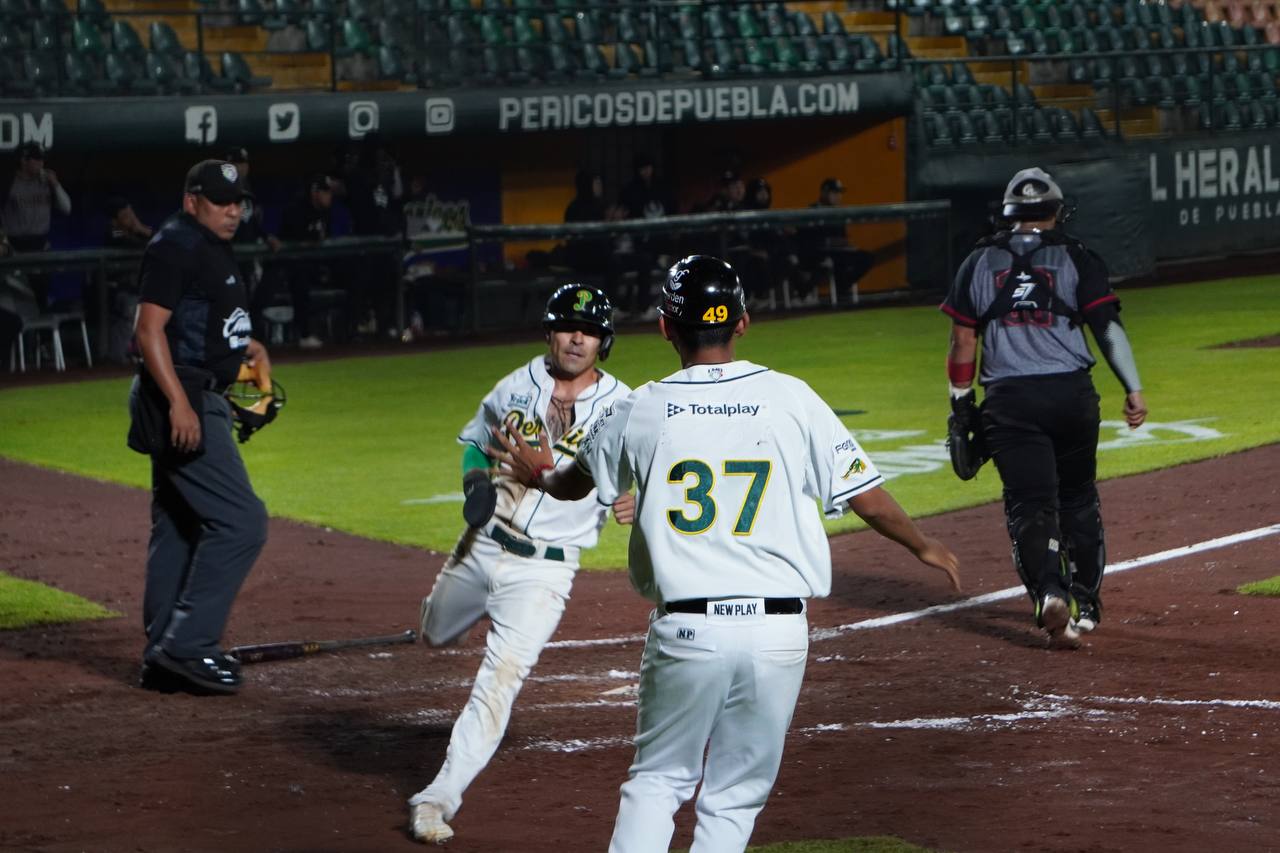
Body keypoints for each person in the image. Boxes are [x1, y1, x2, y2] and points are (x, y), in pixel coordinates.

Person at [494, 255, 961, 853]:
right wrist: (923, 545)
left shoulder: (636, 407)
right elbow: (866, 498)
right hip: (778, 634)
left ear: (666, 327)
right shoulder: (792, 397)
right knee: (735, 796)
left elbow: (570, 483)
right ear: (742, 322)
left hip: (687, 631)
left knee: (659, 780)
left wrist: (540, 472)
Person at [408, 283, 635, 844]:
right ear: (549, 332)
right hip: (484, 543)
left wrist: (640, 497)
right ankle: (457, 613)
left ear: (603, 342)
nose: (577, 338)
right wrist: (474, 484)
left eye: (589, 331)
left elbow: (652, 467)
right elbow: (475, 442)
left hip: (544, 573)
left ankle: (437, 798)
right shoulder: (515, 385)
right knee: (434, 631)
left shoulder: (625, 407)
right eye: (567, 327)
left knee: (501, 680)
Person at [941, 166, 1148, 649]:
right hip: (1071, 396)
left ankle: (1051, 592)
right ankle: (1086, 601)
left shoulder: (978, 261)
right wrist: (1133, 388)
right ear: (1056, 211)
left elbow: (963, 339)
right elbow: (1107, 328)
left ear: (1008, 213)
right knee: (1077, 497)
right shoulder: (1077, 256)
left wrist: (961, 402)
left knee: (1030, 503)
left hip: (1010, 401)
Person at [128, 159, 271, 694]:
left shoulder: (206, 245)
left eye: (238, 202)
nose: (233, 211)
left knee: (180, 523)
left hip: (192, 391)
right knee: (242, 522)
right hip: (182, 397)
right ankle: (187, 647)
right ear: (192, 202)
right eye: (220, 201)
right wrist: (179, 404)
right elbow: (148, 332)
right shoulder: (176, 245)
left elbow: (201, 322)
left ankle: (164, 652)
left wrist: (246, 348)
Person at [252, 173, 335, 349]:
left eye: (329, 192)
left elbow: (322, 237)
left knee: (302, 291)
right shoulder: (297, 208)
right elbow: (296, 235)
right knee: (262, 296)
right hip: (281, 259)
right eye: (325, 192)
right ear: (315, 192)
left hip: (300, 263)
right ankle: (247, 335)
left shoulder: (325, 212)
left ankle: (304, 335)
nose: (328, 196)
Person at [1, 142, 71, 309]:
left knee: (41, 296)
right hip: (15, 247)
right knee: (19, 298)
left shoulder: (46, 181)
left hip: (40, 246)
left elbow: (66, 208)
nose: (41, 163)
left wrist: (56, 184)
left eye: (42, 159)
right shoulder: (8, 182)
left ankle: (43, 320)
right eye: (37, 159)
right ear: (24, 160)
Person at [796, 177, 873, 306]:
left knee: (866, 258)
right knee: (827, 262)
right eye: (834, 192)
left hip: (838, 252)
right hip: (817, 253)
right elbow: (808, 240)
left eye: (840, 193)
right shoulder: (812, 211)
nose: (838, 196)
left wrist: (846, 245)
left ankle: (842, 288)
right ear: (824, 193)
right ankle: (804, 293)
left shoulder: (838, 212)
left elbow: (842, 237)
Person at [103, 196, 153, 364]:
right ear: (115, 220)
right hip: (114, 290)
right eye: (125, 216)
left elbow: (158, 240)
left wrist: (140, 227)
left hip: (134, 288)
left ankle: (135, 354)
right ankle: (116, 360)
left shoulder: (133, 231)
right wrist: (138, 229)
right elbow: (132, 242)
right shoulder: (113, 232)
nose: (130, 219)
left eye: (131, 214)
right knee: (126, 314)